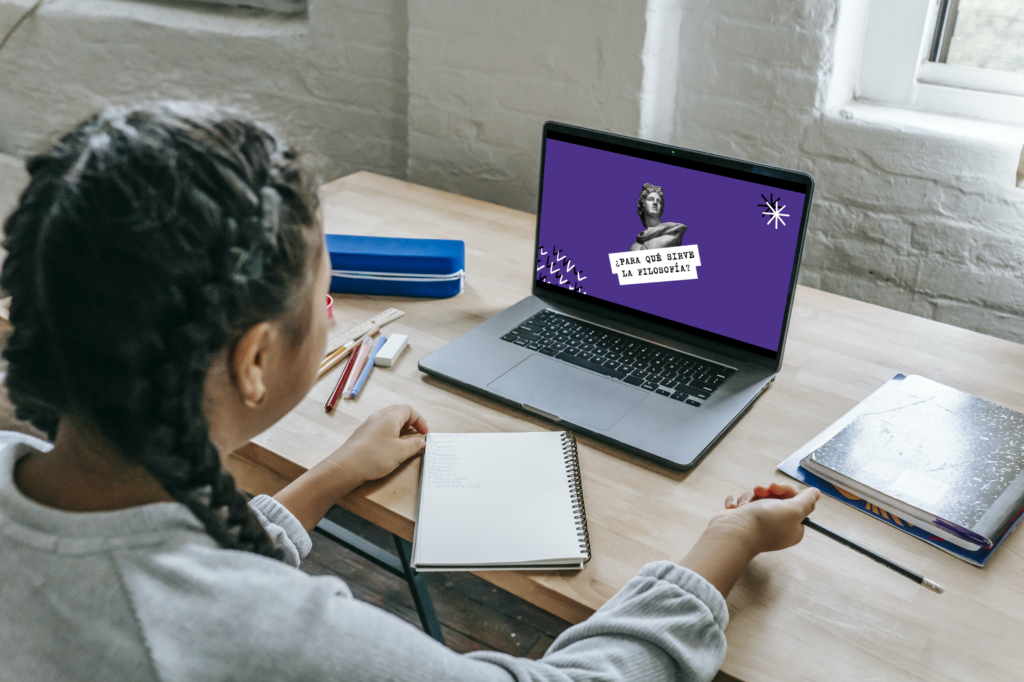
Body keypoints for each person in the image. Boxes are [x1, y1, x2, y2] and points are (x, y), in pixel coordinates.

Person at [0, 103, 820, 682]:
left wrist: (324, 479)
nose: (329, 309)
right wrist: (727, 542)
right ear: (254, 359)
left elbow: (166, 559)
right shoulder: (272, 636)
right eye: (324, 288)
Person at [631, 182, 688, 251]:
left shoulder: (674, 231)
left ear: (661, 207)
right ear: (643, 204)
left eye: (658, 201)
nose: (655, 203)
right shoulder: (635, 246)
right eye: (650, 199)